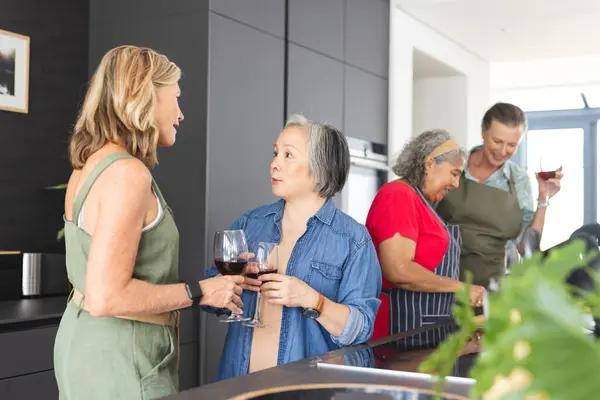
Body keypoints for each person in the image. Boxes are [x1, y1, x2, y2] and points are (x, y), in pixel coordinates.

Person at [53, 46, 245, 400]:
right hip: (123, 355)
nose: (181, 114)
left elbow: (88, 277)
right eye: (175, 98)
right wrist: (200, 290)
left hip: (85, 343)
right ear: (146, 98)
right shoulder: (128, 175)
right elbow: (106, 296)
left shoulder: (88, 168)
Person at [204, 114, 382, 380]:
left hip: (307, 390)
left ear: (320, 168)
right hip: (237, 383)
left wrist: (313, 300)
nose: (274, 164)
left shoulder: (353, 240)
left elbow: (360, 328)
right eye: (275, 153)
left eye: (288, 155)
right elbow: (209, 295)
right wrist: (229, 285)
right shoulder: (250, 223)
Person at [365, 130, 486, 341]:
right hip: (398, 332)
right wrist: (461, 289)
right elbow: (398, 270)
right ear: (429, 163)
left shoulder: (419, 201)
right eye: (454, 173)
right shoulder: (398, 196)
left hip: (421, 330)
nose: (456, 184)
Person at [437, 103, 563, 288]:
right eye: (497, 141)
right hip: (443, 283)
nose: (503, 151)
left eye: (512, 145)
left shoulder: (518, 180)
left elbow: (525, 248)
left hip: (498, 289)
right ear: (483, 132)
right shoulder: (451, 166)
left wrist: (544, 198)